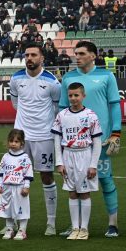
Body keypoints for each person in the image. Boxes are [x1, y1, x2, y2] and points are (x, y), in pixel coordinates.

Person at [59, 41, 122, 238]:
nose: (77, 57)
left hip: (100, 140)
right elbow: (63, 108)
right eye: (75, 53)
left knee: (105, 179)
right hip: (73, 144)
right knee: (74, 182)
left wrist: (116, 132)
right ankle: (76, 226)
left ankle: (113, 223)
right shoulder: (68, 78)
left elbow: (114, 104)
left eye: (81, 53)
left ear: (93, 56)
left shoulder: (106, 76)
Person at [9, 43, 61, 236]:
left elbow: (56, 108)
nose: (29, 58)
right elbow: (16, 104)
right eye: (27, 54)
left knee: (46, 177)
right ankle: (16, 221)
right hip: (21, 137)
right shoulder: (15, 79)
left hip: (44, 136)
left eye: (33, 55)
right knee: (16, 179)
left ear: (42, 58)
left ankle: (51, 223)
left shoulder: (52, 82)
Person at [52, 83, 103, 240]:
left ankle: (84, 229)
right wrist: (59, 162)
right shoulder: (62, 116)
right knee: (72, 192)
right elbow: (56, 139)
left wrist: (93, 164)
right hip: (68, 155)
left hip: (84, 155)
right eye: (70, 95)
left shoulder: (91, 115)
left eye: (76, 95)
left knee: (85, 193)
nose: (73, 98)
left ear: (83, 96)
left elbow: (97, 142)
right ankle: (75, 227)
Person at [0, 129, 33, 241]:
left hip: (19, 187)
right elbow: (1, 172)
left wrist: (26, 187)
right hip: (7, 187)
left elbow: (28, 173)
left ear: (22, 143)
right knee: (7, 209)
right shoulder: (5, 157)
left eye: (16, 141)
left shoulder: (25, 158)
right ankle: (9, 229)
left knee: (22, 210)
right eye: (11, 141)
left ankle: (22, 230)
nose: (13, 144)